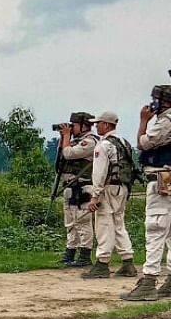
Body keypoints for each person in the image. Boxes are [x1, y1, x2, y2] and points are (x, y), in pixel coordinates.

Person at [120, 86, 171, 301]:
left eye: (155, 99)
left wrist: (143, 121)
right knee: (169, 233)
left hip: (161, 178)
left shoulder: (166, 121)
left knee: (155, 228)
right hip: (167, 178)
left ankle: (149, 280)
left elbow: (144, 143)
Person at [81, 111, 137, 279]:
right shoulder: (123, 142)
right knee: (118, 224)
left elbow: (99, 173)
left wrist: (95, 196)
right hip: (123, 187)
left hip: (108, 188)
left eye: (98, 123)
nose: (96, 125)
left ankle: (102, 263)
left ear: (106, 124)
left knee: (104, 223)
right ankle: (128, 261)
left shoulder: (103, 145)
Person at [57, 112, 98, 267]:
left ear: (84, 125)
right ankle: (70, 252)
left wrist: (66, 137)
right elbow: (61, 155)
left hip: (83, 188)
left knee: (82, 222)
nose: (70, 128)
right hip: (70, 187)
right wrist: (63, 137)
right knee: (70, 222)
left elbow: (68, 154)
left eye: (73, 125)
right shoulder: (75, 141)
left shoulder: (90, 142)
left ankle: (85, 256)